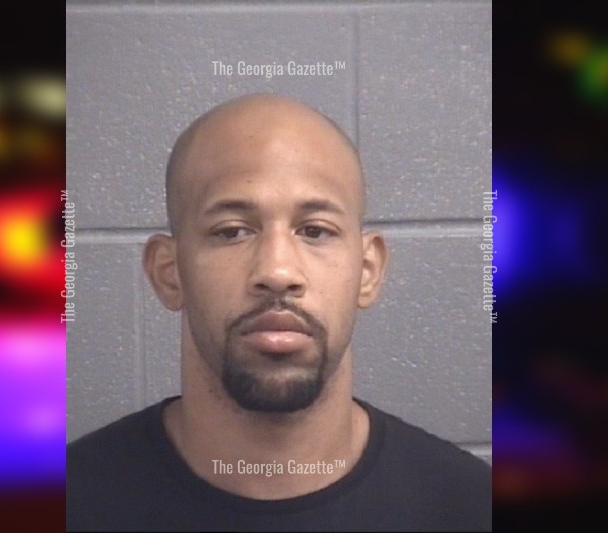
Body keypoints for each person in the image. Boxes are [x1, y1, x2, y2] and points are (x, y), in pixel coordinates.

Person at [66, 94, 491, 531]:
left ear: (367, 271)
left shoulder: (472, 508)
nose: (277, 271)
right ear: (169, 273)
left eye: (315, 231)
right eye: (232, 232)